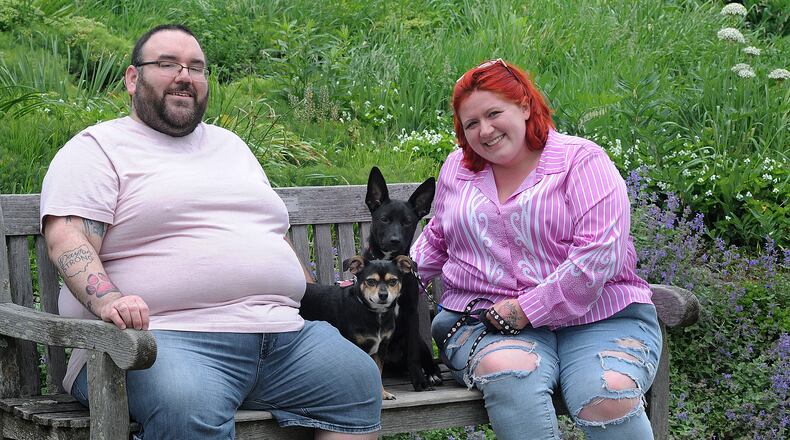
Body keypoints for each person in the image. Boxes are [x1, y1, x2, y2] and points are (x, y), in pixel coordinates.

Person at [40, 24, 381, 440]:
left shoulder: (231, 147)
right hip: (161, 342)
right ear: (133, 79)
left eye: (196, 68)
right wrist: (110, 298)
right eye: (167, 64)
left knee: (356, 379)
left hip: (281, 338)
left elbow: (266, 231)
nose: (185, 76)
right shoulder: (98, 149)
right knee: (188, 403)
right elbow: (68, 238)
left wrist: (303, 287)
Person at [411, 59, 662, 440]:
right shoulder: (458, 169)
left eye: (495, 113)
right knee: (509, 371)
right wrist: (373, 292)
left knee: (606, 394)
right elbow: (435, 242)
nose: (486, 130)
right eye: (471, 123)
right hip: (486, 322)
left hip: (602, 317)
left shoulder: (581, 160)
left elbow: (599, 255)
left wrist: (527, 308)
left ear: (525, 106)